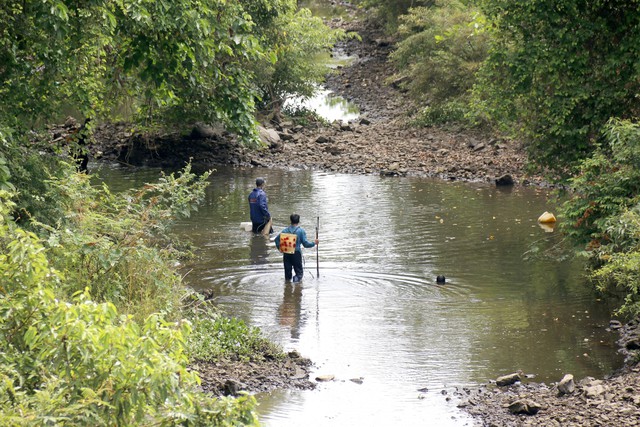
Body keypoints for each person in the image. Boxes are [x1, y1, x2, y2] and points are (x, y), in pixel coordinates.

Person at [274, 213, 318, 282]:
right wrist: (314, 243)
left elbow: (276, 240)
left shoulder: (285, 230)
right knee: (299, 273)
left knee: (287, 273)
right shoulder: (301, 231)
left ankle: (287, 287)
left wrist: (280, 248)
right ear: (298, 221)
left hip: (286, 253)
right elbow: (305, 244)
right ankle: (296, 282)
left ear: (290, 221)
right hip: (296, 253)